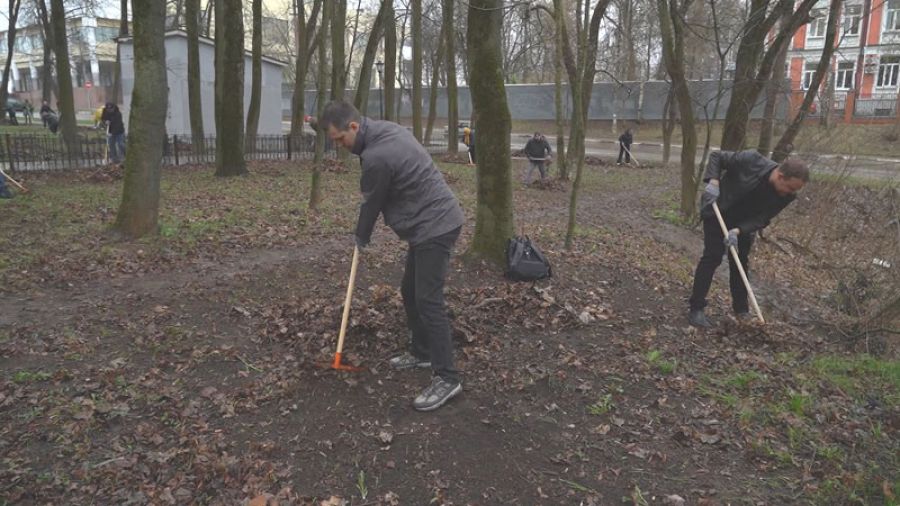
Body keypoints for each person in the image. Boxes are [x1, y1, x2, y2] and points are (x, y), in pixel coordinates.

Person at [321, 100, 466, 412]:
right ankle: (421, 351)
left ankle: (448, 377)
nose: (339, 146)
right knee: (409, 291)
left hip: (435, 225)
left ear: (354, 127)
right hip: (427, 221)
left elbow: (372, 202)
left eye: (339, 139)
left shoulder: (376, 156)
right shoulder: (384, 130)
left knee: (429, 300)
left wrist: (361, 236)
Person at [688, 151, 810, 328]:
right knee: (712, 256)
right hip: (719, 210)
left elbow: (763, 218)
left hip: (744, 224)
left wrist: (737, 231)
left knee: (740, 263)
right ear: (780, 176)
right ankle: (696, 309)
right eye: (790, 188)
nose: (790, 193)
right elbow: (717, 157)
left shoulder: (787, 196)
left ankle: (741, 311)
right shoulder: (751, 160)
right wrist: (713, 182)